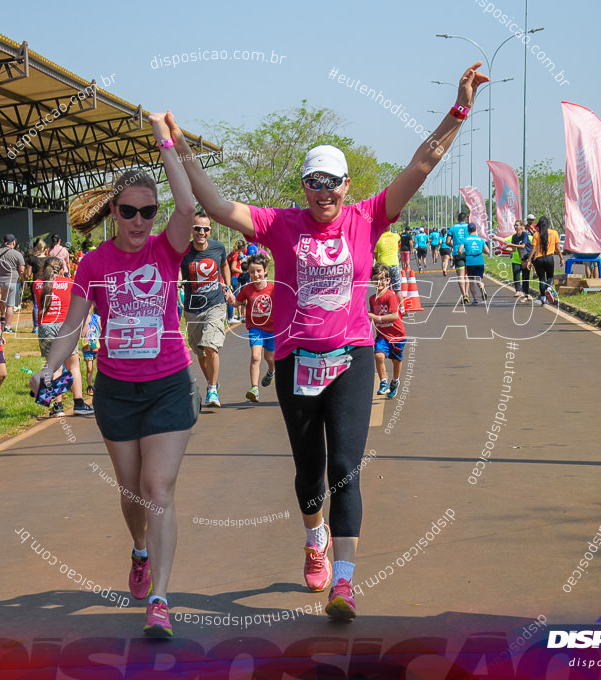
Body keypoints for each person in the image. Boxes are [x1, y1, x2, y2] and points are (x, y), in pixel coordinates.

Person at [168, 60, 487, 621]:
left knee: (345, 466)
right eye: (313, 183)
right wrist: (181, 152)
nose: (324, 193)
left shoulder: (369, 218)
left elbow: (424, 161)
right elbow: (217, 206)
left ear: (346, 186)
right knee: (310, 473)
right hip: (295, 361)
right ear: (304, 188)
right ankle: (312, 536)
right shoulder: (279, 224)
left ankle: (344, 581)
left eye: (333, 183)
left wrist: (459, 107)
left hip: (353, 357)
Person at [39, 113, 200, 637]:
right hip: (116, 391)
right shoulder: (93, 263)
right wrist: (49, 367)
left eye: (147, 211)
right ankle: (139, 551)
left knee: (158, 486)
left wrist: (165, 141)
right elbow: (71, 325)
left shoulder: (167, 248)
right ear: (113, 211)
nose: (138, 220)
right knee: (132, 492)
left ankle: (160, 598)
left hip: (169, 384)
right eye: (128, 211)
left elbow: (189, 205)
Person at [180, 209, 234, 407]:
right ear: (191, 230)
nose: (201, 232)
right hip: (192, 307)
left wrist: (228, 287)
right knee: (200, 350)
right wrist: (178, 282)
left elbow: (225, 265)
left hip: (215, 304)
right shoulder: (184, 251)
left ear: (210, 231)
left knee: (211, 345)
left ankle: (212, 390)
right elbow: (177, 269)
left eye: (205, 229)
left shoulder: (218, 247)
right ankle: (213, 383)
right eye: (197, 228)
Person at [33, 256, 93, 415]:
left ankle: (57, 406)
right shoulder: (70, 283)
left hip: (46, 327)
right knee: (73, 365)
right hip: (65, 326)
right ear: (61, 269)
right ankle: (79, 403)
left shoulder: (38, 284)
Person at [234, 253, 275, 403]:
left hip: (271, 329)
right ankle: (254, 389)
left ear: (265, 270)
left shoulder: (273, 288)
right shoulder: (246, 289)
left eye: (258, 271)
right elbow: (236, 303)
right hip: (255, 329)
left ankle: (271, 372)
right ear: (248, 273)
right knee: (256, 356)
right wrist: (230, 299)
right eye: (252, 272)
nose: (256, 274)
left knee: (269, 358)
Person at [369, 263, 406, 399]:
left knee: (396, 361)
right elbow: (371, 317)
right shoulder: (372, 299)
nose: (378, 282)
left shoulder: (391, 296)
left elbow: (394, 316)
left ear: (388, 281)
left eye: (382, 279)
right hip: (382, 335)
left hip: (397, 335)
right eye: (375, 279)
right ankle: (383, 382)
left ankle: (395, 381)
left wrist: (376, 317)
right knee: (379, 356)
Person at [526, 215, 564, 306]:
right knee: (550, 277)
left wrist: (529, 260)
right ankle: (549, 289)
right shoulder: (554, 233)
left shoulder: (536, 234)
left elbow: (533, 249)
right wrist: (561, 258)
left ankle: (543, 298)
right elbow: (557, 248)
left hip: (538, 259)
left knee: (542, 279)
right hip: (549, 258)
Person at [0, 234, 25, 333]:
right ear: (13, 242)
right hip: (12, 281)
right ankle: (7, 327)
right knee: (10, 305)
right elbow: (21, 270)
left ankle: (2, 316)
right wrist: (24, 282)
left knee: (1, 300)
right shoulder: (17, 254)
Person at [460, 224, 491, 305]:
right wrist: (480, 251)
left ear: (468, 230)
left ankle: (475, 299)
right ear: (475, 230)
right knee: (478, 279)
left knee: (471, 281)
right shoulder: (480, 239)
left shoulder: (465, 239)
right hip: (480, 261)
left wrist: (465, 253)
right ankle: (482, 287)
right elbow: (488, 251)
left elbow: (460, 250)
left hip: (470, 262)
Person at [27, 238, 50, 333]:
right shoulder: (49, 259)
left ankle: (35, 327)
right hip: (46, 282)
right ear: (44, 248)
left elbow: (28, 273)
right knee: (46, 302)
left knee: (36, 305)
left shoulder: (32, 259)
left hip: (36, 282)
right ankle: (45, 322)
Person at [447, 212, 471, 303]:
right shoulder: (469, 227)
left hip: (457, 253)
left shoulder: (453, 228)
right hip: (468, 253)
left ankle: (464, 294)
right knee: (467, 275)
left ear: (458, 219)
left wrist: (455, 245)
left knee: (460, 276)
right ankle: (467, 294)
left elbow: (448, 241)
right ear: (466, 219)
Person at [80, 307, 101, 396]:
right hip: (87, 348)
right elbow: (82, 334)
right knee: (89, 368)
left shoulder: (96, 317)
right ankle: (89, 386)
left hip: (97, 346)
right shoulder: (81, 320)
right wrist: (85, 324)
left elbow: (101, 329)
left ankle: (100, 385)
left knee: (100, 367)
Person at [374, 225, 401, 292]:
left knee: (385, 289)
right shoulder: (395, 236)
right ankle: (400, 302)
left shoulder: (378, 238)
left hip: (383, 266)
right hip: (394, 263)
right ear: (390, 228)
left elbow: (375, 254)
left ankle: (386, 302)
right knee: (397, 289)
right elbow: (399, 240)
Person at [509, 219, 532, 299]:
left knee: (525, 277)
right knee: (516, 274)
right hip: (521, 257)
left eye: (517, 225)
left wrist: (512, 244)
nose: (515, 227)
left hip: (527, 257)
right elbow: (513, 249)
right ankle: (518, 290)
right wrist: (503, 249)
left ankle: (526, 294)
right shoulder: (514, 237)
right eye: (515, 225)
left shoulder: (524, 235)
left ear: (522, 226)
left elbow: (523, 246)